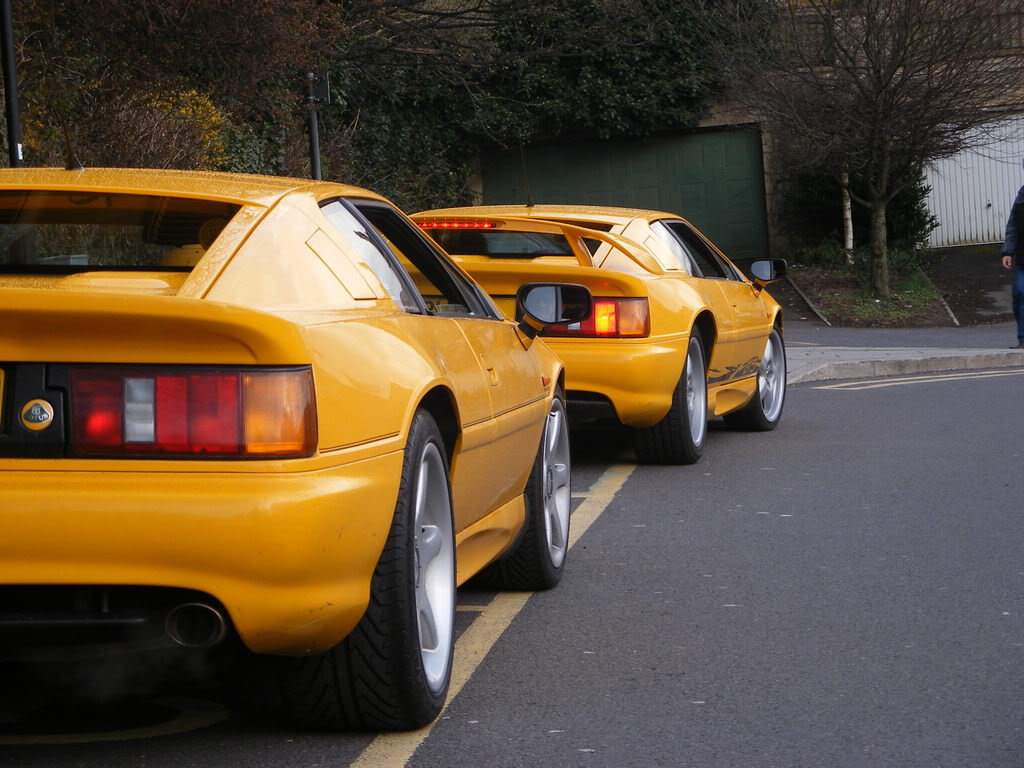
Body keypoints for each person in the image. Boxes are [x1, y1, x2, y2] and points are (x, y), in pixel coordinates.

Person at [1000, 182, 1024, 349]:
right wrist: (1007, 251)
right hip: (1023, 259)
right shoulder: (1022, 196)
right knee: (1019, 294)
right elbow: (1013, 225)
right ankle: (1023, 339)